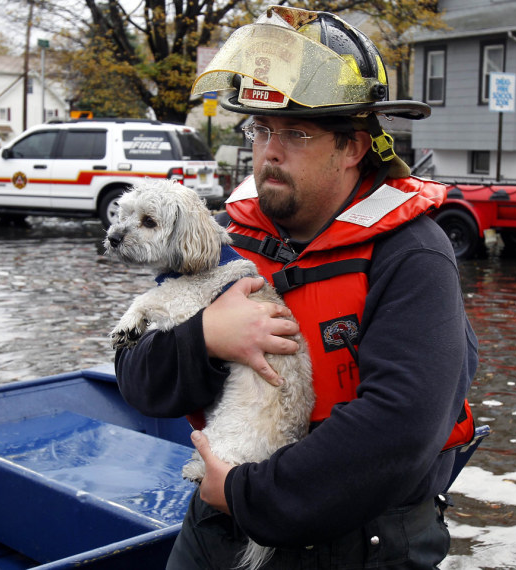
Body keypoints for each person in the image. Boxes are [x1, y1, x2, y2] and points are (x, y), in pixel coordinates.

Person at [116, 6, 478, 568]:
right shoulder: (230, 241)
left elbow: (400, 431)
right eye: (261, 130)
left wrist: (243, 494)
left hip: (359, 542)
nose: (269, 152)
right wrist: (206, 337)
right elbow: (137, 382)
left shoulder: (414, 257)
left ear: (353, 147)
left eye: (296, 133)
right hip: (216, 524)